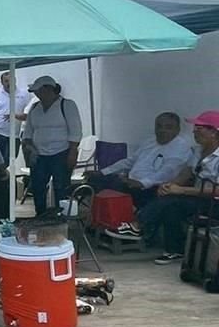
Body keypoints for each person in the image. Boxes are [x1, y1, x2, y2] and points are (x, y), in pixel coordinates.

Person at [134, 111, 219, 265]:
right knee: (169, 200)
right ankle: (175, 250)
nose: (194, 131)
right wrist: (172, 184)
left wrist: (182, 190)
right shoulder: (199, 150)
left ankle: (138, 226)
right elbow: (187, 172)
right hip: (200, 197)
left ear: (213, 132)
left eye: (199, 128)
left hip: (215, 202)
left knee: (173, 201)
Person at [87, 113, 195, 224]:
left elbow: (167, 172)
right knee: (97, 181)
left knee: (114, 188)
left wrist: (142, 183)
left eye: (168, 127)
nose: (162, 130)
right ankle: (101, 223)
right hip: (132, 182)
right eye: (159, 126)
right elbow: (130, 161)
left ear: (177, 130)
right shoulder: (149, 142)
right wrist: (103, 172)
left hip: (153, 188)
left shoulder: (181, 147)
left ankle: (120, 225)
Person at [21, 76, 83, 215]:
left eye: (38, 90)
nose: (36, 94)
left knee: (61, 187)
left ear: (48, 89)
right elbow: (28, 132)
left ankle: (61, 217)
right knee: (38, 187)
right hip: (39, 155)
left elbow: (75, 130)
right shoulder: (35, 107)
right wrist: (29, 149)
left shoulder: (66, 105)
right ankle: (41, 215)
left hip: (61, 153)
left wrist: (73, 152)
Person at [0, 72, 31, 159]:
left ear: (15, 80)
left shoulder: (25, 95)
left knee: (11, 158)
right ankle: (1, 172)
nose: (9, 83)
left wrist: (16, 116)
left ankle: (4, 172)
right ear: (2, 82)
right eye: (6, 81)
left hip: (15, 135)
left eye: (11, 81)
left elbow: (30, 112)